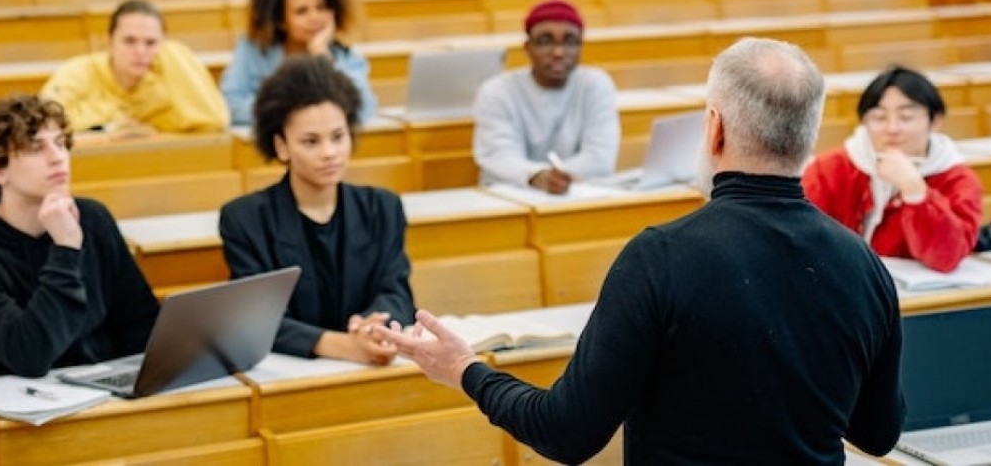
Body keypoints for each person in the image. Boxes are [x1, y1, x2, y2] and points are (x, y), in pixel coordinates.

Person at [379, 37, 905, 464]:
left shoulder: (662, 258)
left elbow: (567, 433)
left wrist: (466, 369)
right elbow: (879, 435)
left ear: (714, 128)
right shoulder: (862, 264)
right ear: (808, 137)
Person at [0, 94, 160, 380]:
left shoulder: (93, 219)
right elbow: (30, 355)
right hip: (13, 408)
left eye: (60, 144)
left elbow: (140, 323)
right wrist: (66, 248)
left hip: (100, 394)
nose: (57, 157)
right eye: (35, 148)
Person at [218, 55, 413, 365]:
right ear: (281, 146)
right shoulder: (245, 219)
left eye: (338, 137)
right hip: (290, 372)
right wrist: (343, 345)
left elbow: (397, 292)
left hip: (369, 366)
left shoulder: (382, 207)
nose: (330, 153)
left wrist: (374, 326)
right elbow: (256, 320)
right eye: (311, 142)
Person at [803, 64, 982, 273]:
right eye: (879, 118)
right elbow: (805, 239)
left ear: (935, 121)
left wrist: (915, 191)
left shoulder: (957, 179)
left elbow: (946, 258)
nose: (892, 129)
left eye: (906, 117)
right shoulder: (831, 169)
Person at [472, 0, 619, 194]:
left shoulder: (595, 84)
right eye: (545, 41)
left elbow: (600, 157)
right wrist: (538, 176)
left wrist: (557, 179)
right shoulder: (497, 91)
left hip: (578, 195)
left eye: (570, 41)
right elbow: (498, 156)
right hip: (512, 196)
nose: (558, 52)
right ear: (528, 47)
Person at [220, 0, 377, 126]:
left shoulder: (343, 56)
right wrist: (296, 110)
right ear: (281, 21)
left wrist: (322, 56)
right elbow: (230, 106)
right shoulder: (254, 49)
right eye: (301, 11)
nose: (314, 18)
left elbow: (364, 110)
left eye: (322, 8)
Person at [40, 0, 229, 135]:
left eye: (151, 43)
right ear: (109, 42)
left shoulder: (163, 84)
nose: (140, 51)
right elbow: (43, 128)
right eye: (129, 41)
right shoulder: (78, 73)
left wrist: (173, 51)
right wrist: (111, 135)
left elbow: (215, 122)